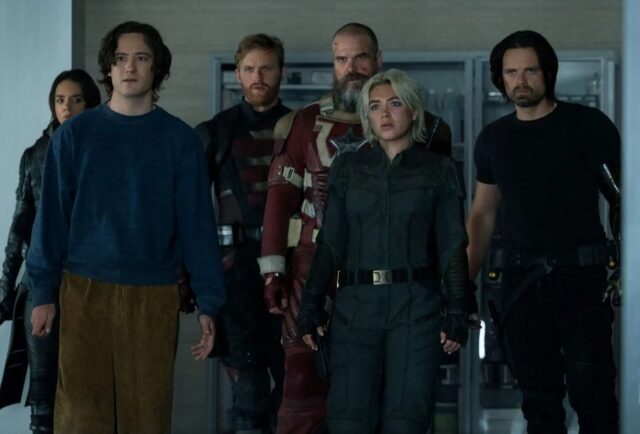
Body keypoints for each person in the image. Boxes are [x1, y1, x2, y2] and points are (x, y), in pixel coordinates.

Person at [25, 21, 225, 433]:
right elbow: (50, 221)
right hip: (83, 290)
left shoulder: (180, 141)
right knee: (80, 418)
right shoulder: (74, 136)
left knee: (146, 418)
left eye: (141, 58)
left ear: (157, 68)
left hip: (153, 293)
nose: (129, 67)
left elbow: (198, 228)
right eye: (120, 58)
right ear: (108, 67)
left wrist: (209, 302)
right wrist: (42, 293)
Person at [258, 23, 451, 434]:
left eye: (360, 57)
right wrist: (273, 271)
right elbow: (278, 203)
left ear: (378, 59)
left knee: (397, 394)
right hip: (311, 266)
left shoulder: (425, 129)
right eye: (341, 59)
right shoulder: (301, 123)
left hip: (395, 278)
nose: (351, 68)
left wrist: (449, 296)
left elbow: (441, 226)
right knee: (302, 379)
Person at [296, 68, 470, 434]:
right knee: (348, 420)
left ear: (413, 110)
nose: (385, 114)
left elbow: (452, 244)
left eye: (395, 103)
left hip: (416, 307)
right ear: (367, 115)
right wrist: (310, 304)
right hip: (356, 307)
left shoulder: (439, 170)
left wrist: (458, 307)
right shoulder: (348, 168)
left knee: (406, 421)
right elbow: (331, 241)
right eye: (375, 106)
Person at [466, 30, 620, 434]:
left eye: (530, 70)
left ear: (548, 72)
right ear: (500, 78)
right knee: (538, 403)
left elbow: (623, 200)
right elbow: (482, 215)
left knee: (594, 397)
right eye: (511, 72)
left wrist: (626, 267)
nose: (520, 81)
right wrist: (461, 286)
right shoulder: (493, 139)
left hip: (581, 278)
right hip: (521, 282)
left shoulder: (587, 126)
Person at [195, 33, 289, 434]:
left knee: (295, 396)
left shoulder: (301, 128)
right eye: (249, 68)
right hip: (234, 276)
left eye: (266, 68)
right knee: (248, 399)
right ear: (237, 74)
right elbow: (191, 212)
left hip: (292, 273)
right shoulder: (215, 132)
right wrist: (192, 280)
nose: (258, 76)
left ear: (281, 72)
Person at [0, 69, 100, 434]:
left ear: (90, 103)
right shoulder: (36, 154)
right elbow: (19, 226)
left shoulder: (104, 150)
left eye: (76, 99)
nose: (67, 107)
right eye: (60, 100)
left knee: (87, 393)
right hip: (41, 280)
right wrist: (4, 289)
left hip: (92, 281)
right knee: (43, 397)